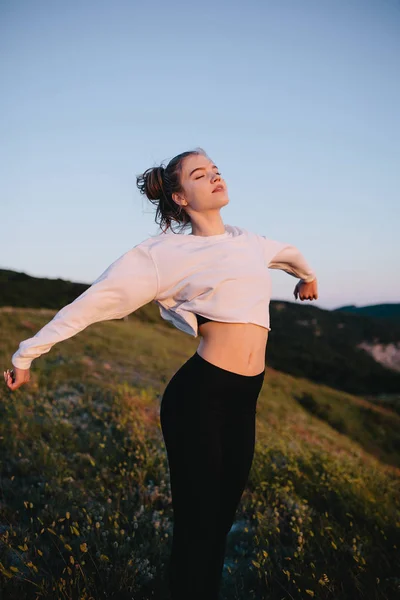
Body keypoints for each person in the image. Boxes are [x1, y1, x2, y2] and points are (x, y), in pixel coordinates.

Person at [4, 147, 318, 600]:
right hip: (201, 398)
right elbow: (92, 304)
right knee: (198, 522)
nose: (213, 177)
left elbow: (288, 253)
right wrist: (25, 355)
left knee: (222, 519)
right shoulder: (161, 254)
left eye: (215, 170)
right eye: (199, 174)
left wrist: (306, 276)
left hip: (245, 397)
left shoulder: (247, 240)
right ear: (180, 198)